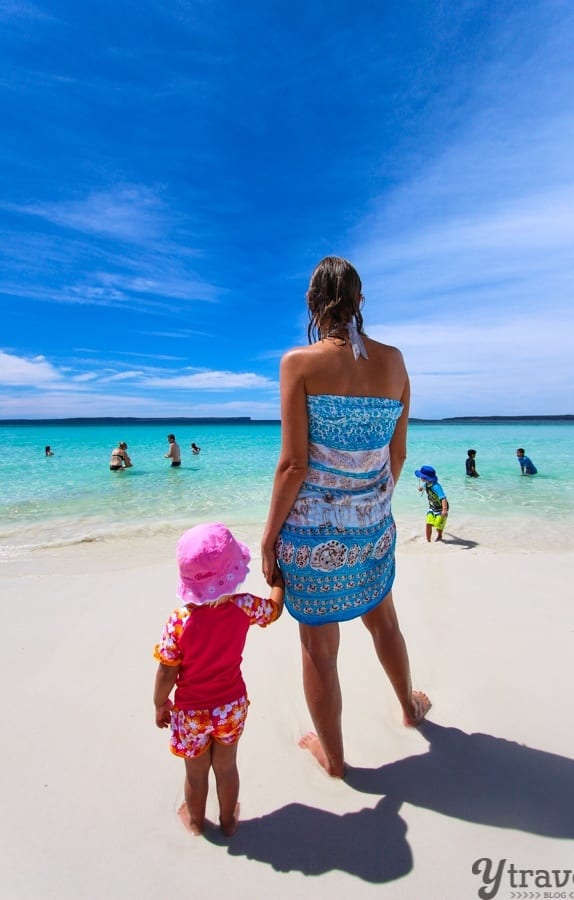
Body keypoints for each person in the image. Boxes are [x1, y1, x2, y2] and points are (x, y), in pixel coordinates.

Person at [261, 255, 430, 779]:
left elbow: (293, 465)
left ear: (313, 304)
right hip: (374, 524)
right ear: (360, 301)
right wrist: (370, 507)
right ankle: (409, 706)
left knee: (318, 645)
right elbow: (396, 456)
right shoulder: (396, 362)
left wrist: (269, 539)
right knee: (384, 620)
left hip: (311, 536)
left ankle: (334, 760)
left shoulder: (298, 363)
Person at [153, 523, 284, 836]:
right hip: (231, 707)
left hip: (190, 713)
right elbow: (275, 611)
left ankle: (197, 823)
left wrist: (160, 702)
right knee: (226, 767)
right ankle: (228, 822)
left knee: (195, 773)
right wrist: (278, 580)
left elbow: (167, 670)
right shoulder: (245, 607)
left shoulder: (180, 621)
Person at [415, 465, 449, 542]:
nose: (420, 477)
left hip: (441, 508)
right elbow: (425, 487)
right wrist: (421, 489)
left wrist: (444, 509)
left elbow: (443, 498)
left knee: (438, 525)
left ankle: (440, 535)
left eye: (422, 476)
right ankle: (428, 540)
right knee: (428, 523)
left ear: (427, 478)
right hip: (432, 507)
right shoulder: (426, 484)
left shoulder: (436, 486)